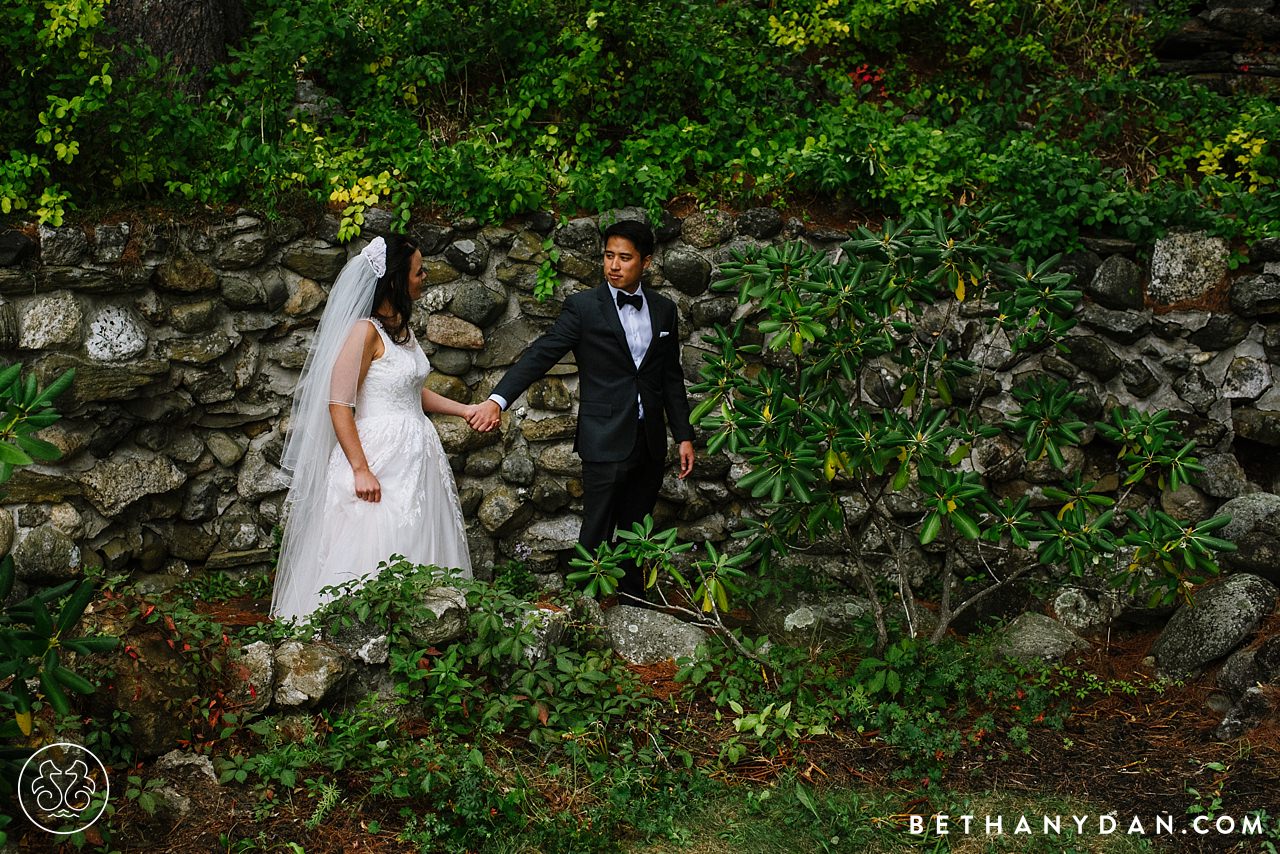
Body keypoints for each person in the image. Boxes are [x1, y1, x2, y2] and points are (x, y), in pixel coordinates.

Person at [468, 220, 695, 600]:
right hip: (604, 436)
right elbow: (541, 353)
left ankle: (631, 603)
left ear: (647, 262)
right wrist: (498, 399)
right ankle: (583, 611)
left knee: (637, 527)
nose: (614, 266)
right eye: (609, 256)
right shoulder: (585, 307)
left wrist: (684, 435)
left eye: (625, 258)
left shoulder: (663, 310)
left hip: (650, 439)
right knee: (596, 528)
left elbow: (670, 377)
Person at [271, 235, 482, 621]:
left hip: (416, 457)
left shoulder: (401, 330)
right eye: (419, 271)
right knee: (376, 543)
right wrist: (360, 468)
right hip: (376, 457)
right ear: (397, 279)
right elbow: (339, 404)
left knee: (416, 536)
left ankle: (421, 632)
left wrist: (464, 409)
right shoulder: (364, 332)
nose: (425, 277)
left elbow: (410, 392)